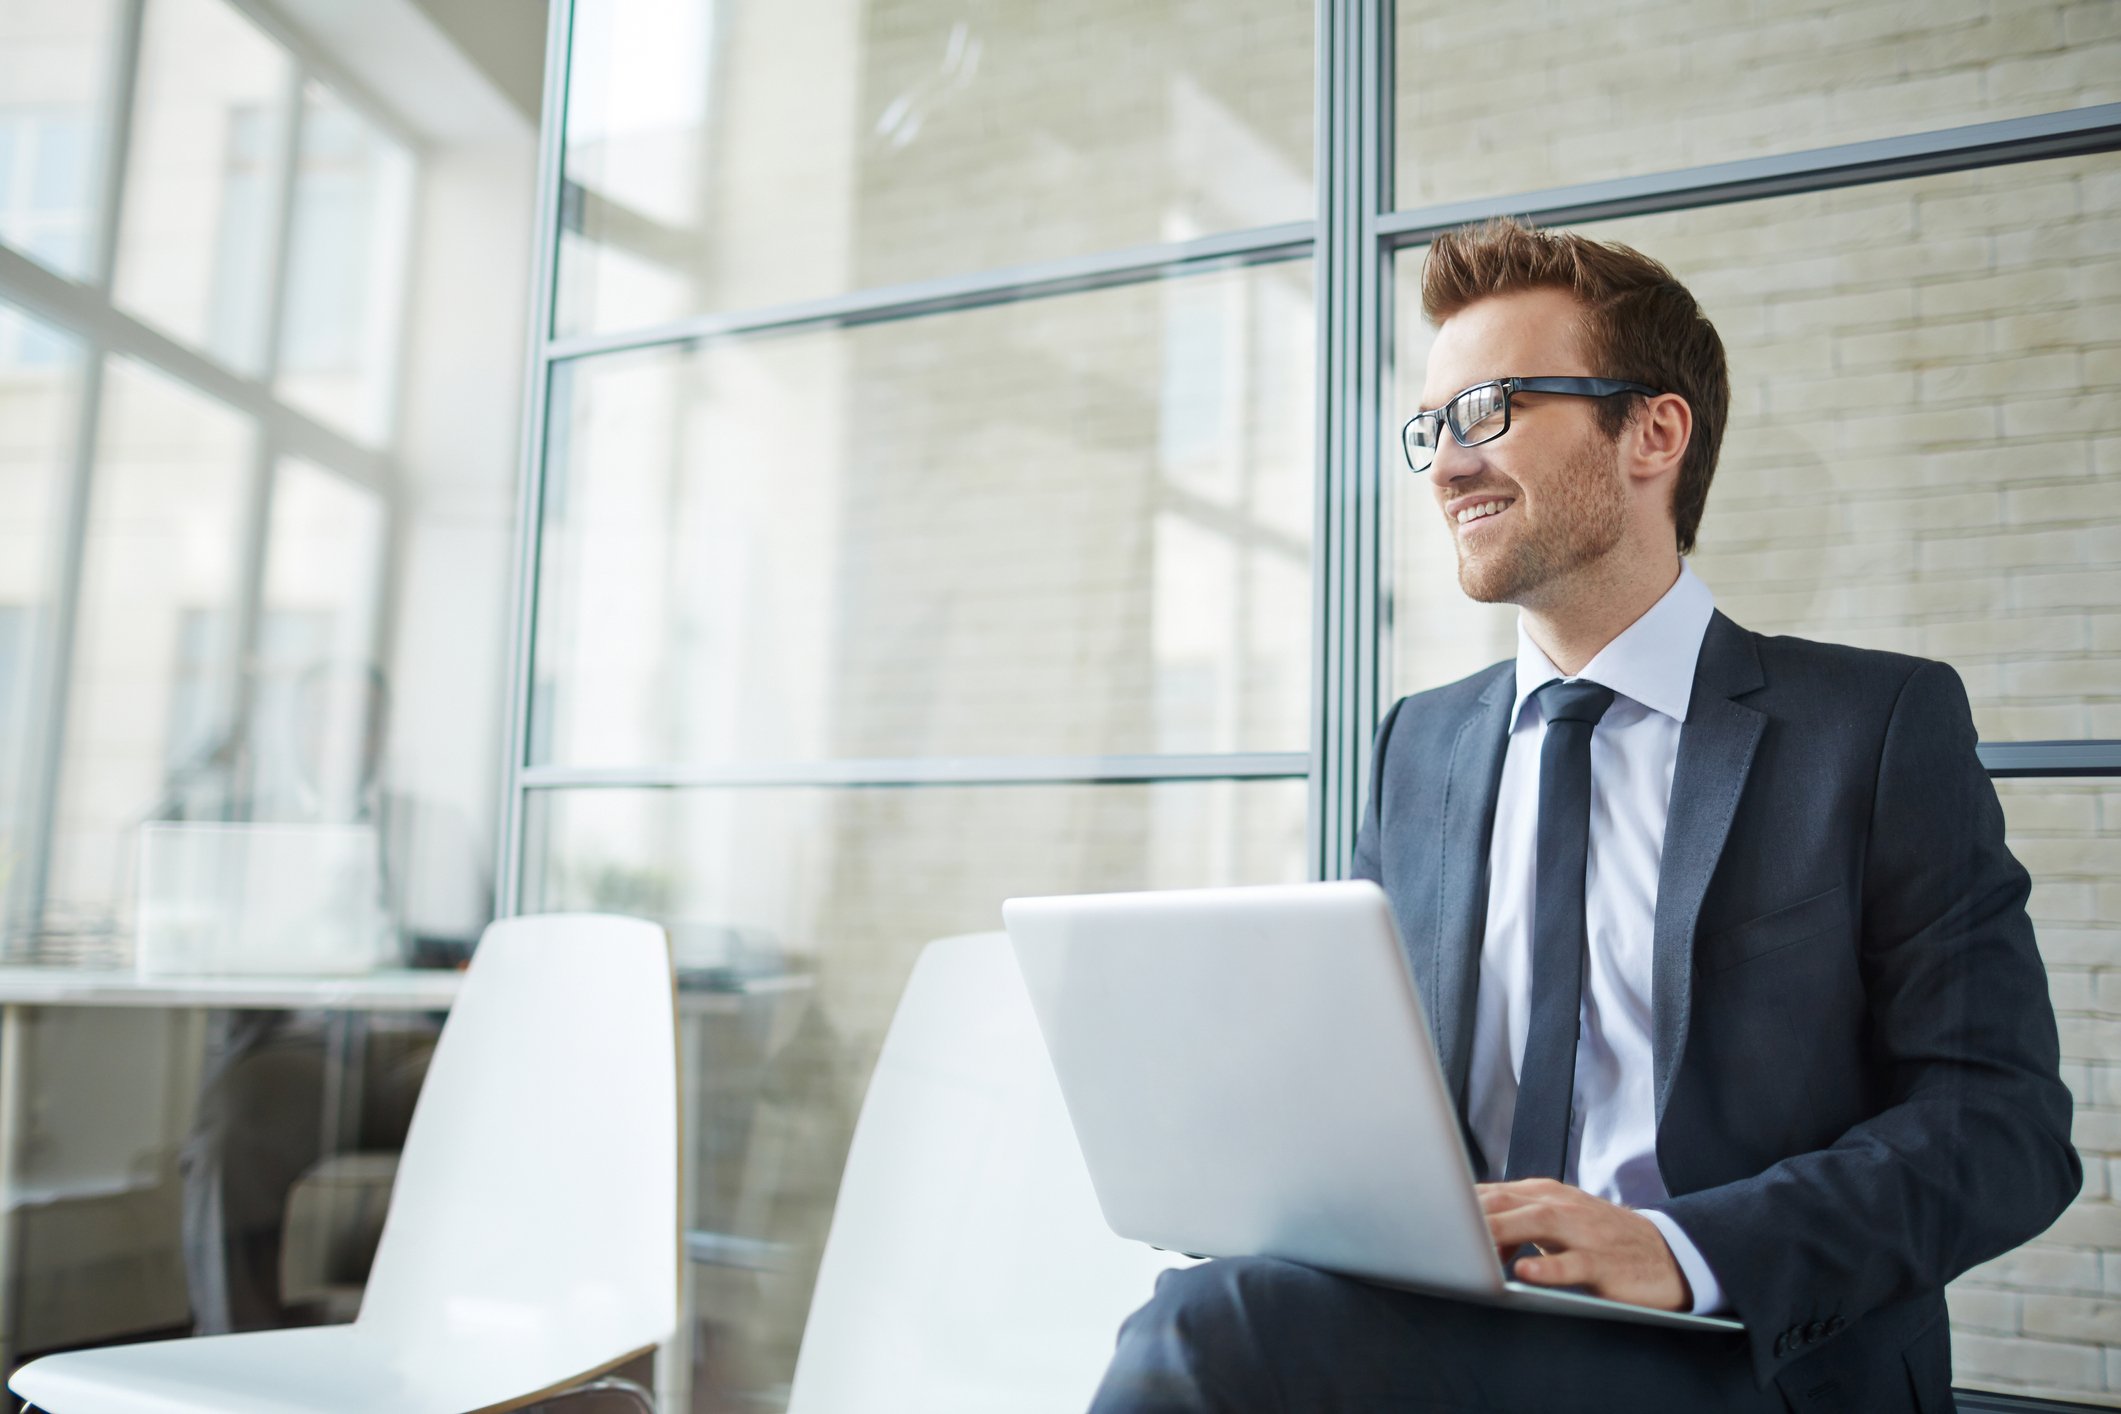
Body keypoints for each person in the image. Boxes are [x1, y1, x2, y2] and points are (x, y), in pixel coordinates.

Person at [1088, 219, 2080, 1414]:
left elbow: (2004, 1125)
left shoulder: (1873, 730)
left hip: (1734, 1349)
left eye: (1491, 409)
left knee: (1211, 1334)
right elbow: (1375, 1092)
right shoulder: (1424, 745)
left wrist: (1677, 1250)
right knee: (1203, 1317)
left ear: (1652, 432)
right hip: (1459, 1320)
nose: (1448, 466)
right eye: (1434, 427)